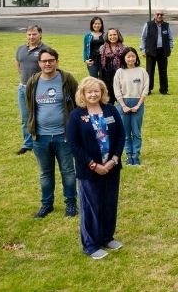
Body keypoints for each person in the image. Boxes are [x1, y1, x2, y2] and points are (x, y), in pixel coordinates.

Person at [66, 76, 125, 259]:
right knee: (91, 207)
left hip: (111, 167)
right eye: (89, 91)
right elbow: (73, 144)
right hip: (89, 171)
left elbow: (121, 136)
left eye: (96, 91)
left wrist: (113, 161)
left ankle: (107, 237)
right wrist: (93, 164)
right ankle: (91, 245)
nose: (93, 94)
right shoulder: (77, 115)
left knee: (109, 204)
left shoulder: (111, 110)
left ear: (102, 93)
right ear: (82, 94)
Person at [26, 47, 79, 218]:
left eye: (51, 60)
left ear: (56, 61)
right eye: (44, 61)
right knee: (45, 173)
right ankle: (46, 204)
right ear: (39, 63)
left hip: (64, 137)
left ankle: (71, 203)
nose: (47, 63)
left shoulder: (67, 79)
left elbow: (79, 101)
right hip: (40, 138)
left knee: (68, 172)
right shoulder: (33, 82)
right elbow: (30, 107)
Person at [15, 25, 49, 155]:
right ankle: (27, 144)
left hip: (40, 88)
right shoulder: (21, 49)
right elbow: (18, 64)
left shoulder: (45, 50)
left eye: (34, 34)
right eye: (29, 34)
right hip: (23, 88)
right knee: (25, 117)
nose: (31, 37)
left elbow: (50, 67)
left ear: (40, 34)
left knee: (41, 116)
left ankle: (42, 141)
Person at [113, 47, 149, 166]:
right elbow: (117, 90)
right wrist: (123, 105)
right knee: (125, 132)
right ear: (124, 58)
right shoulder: (119, 72)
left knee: (136, 131)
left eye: (133, 56)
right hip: (123, 104)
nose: (130, 58)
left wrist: (139, 105)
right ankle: (128, 155)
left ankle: (136, 155)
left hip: (138, 103)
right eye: (128, 56)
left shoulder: (142, 71)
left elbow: (145, 88)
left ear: (136, 57)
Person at [97, 28, 124, 105]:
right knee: (108, 102)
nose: (113, 37)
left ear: (118, 35)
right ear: (107, 36)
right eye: (110, 35)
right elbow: (100, 66)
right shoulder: (102, 49)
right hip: (106, 78)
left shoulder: (124, 48)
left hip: (120, 78)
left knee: (121, 102)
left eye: (114, 34)